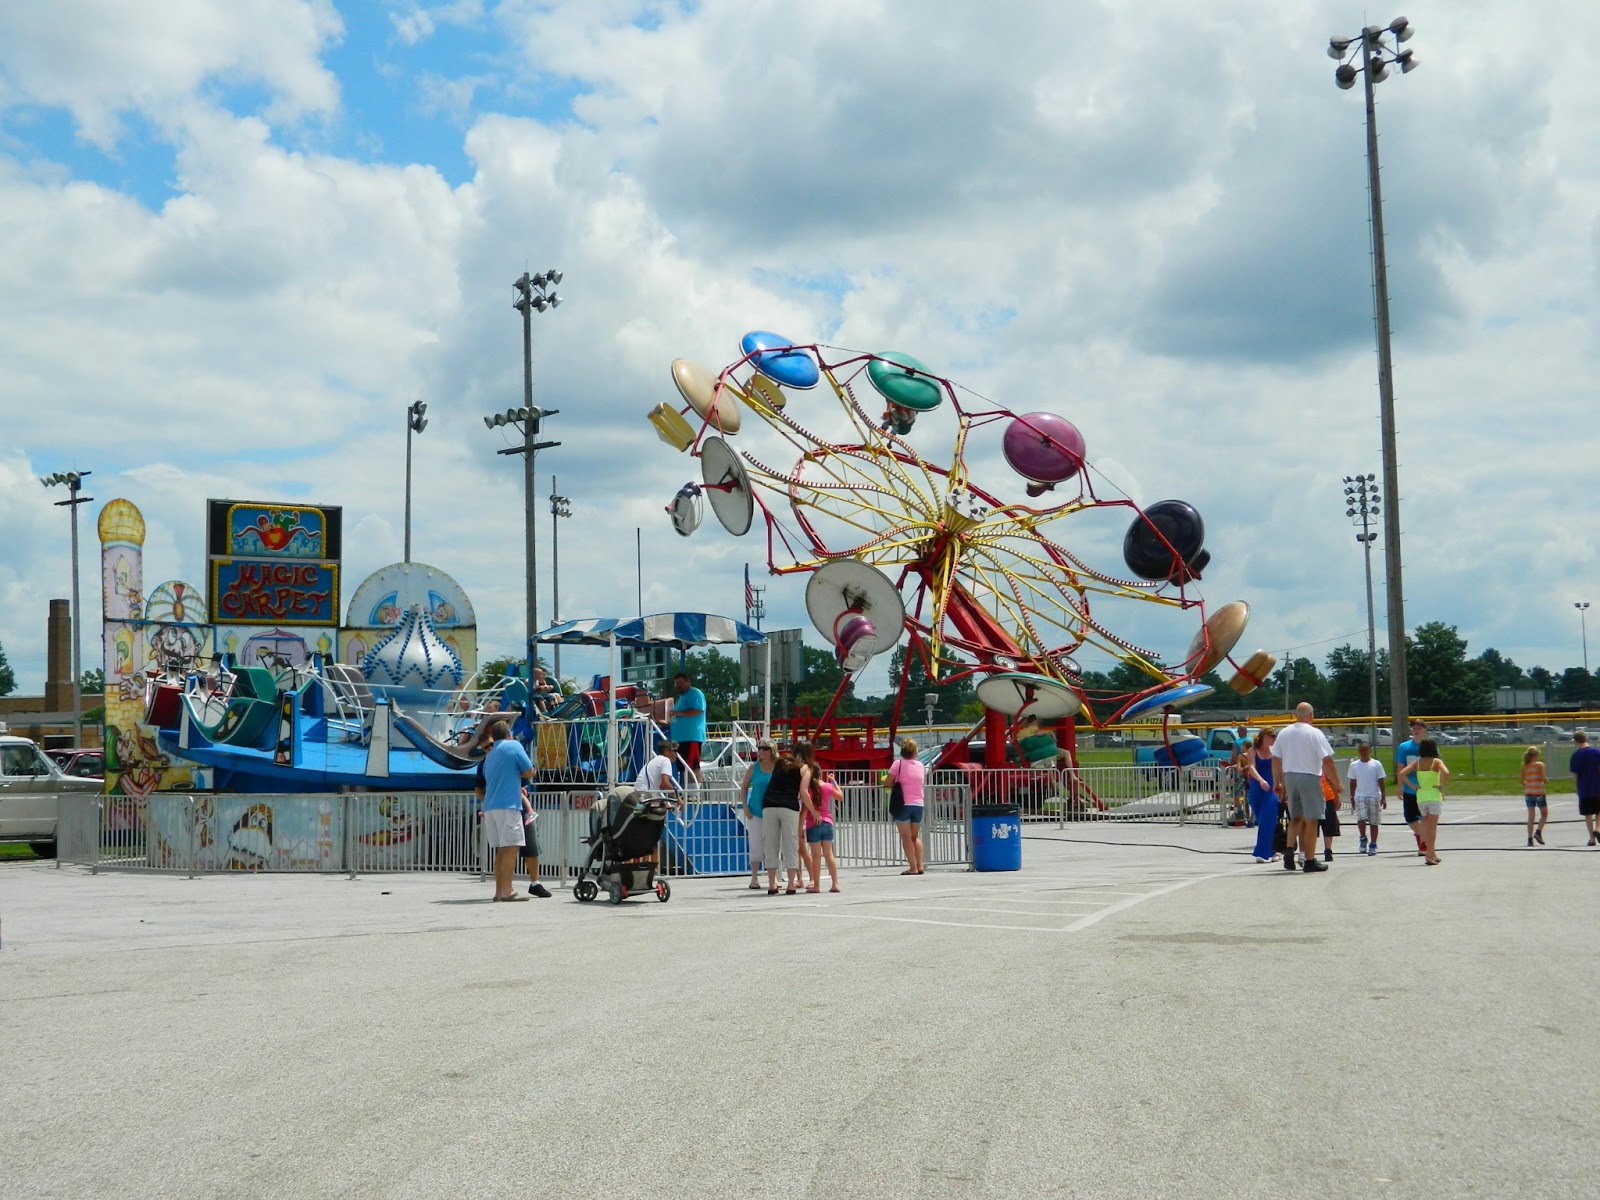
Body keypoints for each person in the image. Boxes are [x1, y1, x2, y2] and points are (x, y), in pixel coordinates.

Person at [1271, 702, 1342, 874]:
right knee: (1312, 819)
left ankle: (1289, 849)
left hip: (1290, 777)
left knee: (1296, 817)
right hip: (1309, 776)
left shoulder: (1284, 732)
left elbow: (1275, 759)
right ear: (1311, 715)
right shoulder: (1314, 733)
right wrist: (1337, 782)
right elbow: (1327, 760)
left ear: (1296, 714)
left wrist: (1277, 782)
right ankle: (1310, 859)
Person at [476, 719, 534, 901]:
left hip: (490, 807)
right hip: (508, 806)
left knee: (501, 850)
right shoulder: (514, 746)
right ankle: (507, 891)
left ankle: (498, 891)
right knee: (511, 848)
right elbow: (529, 771)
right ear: (509, 734)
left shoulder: (489, 756)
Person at [761, 744, 805, 894]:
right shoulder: (804, 768)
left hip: (769, 803)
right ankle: (791, 884)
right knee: (790, 844)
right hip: (789, 806)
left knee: (770, 844)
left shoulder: (779, 763)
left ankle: (772, 883)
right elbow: (804, 792)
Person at [797, 742, 841, 893]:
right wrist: (834, 782)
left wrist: (800, 827)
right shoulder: (827, 787)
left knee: (816, 856)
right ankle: (835, 883)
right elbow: (840, 796)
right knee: (829, 854)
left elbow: (804, 810)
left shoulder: (808, 789)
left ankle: (816, 885)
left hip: (812, 823)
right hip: (827, 821)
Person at [1397, 738, 1448, 865]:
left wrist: (1412, 786)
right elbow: (1446, 773)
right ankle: (1429, 855)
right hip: (1434, 796)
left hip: (1421, 796)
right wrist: (1441, 785)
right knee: (1432, 828)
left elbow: (1402, 773)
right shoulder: (1436, 762)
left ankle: (1432, 853)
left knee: (1425, 825)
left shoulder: (1417, 763)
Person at [887, 737, 927, 876]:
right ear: (915, 751)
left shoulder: (897, 764)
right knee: (915, 837)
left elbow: (888, 782)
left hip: (903, 803)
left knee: (906, 837)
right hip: (918, 804)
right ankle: (920, 865)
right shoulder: (921, 765)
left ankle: (912, 867)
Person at [739, 739, 775, 890]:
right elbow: (744, 787)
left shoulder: (777, 767)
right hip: (756, 810)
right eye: (759, 748)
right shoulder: (753, 768)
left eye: (765, 749)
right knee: (755, 844)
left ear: (772, 750)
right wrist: (744, 805)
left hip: (773, 809)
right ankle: (754, 877)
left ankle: (773, 878)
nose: (761, 751)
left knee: (773, 845)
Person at [1394, 718, 1430, 858]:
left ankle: (1425, 845)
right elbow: (1400, 767)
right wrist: (1399, 785)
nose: (1416, 731)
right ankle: (1422, 837)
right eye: (1414, 728)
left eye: (1419, 728)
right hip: (1409, 787)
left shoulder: (1428, 746)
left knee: (1424, 817)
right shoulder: (1404, 747)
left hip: (1424, 787)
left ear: (1424, 730)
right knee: (1410, 817)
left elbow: (1436, 765)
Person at [1347, 741, 1387, 857]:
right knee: (1361, 818)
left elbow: (1381, 781)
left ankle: (1373, 844)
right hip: (1360, 795)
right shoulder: (1354, 765)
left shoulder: (1376, 764)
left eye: (1366, 750)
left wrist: (1383, 797)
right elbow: (1353, 782)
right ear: (1359, 751)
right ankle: (1363, 837)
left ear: (1370, 750)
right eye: (1361, 750)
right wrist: (1352, 796)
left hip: (1374, 795)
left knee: (1374, 822)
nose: (1364, 752)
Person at [1245, 728, 1279, 863]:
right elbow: (1251, 767)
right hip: (1257, 788)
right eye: (1271, 736)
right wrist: (1260, 780)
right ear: (1263, 737)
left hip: (1272, 788)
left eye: (1275, 736)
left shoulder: (1275, 751)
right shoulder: (1252, 751)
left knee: (1268, 819)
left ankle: (1261, 852)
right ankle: (1272, 850)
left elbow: (1279, 768)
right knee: (1262, 821)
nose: (1274, 738)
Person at [669, 671, 707, 786]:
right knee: (682, 766)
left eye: (680, 682)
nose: (678, 685)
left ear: (688, 681)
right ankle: (686, 790)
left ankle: (695, 793)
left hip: (691, 736)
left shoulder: (695, 693)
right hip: (680, 738)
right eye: (676, 683)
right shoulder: (681, 698)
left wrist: (679, 713)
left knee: (693, 764)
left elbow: (699, 710)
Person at [1569, 731, 1600, 846]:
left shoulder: (1575, 756)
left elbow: (1575, 775)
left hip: (1584, 788)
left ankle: (1592, 839)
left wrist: (1577, 788)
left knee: (1588, 814)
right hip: (1597, 786)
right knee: (1598, 811)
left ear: (1576, 741)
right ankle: (1598, 828)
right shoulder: (1597, 752)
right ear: (1586, 739)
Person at [1522, 745, 1549, 847]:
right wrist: (1546, 780)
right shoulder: (1540, 765)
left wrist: (1527, 784)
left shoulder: (1524, 766)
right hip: (1539, 792)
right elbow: (1543, 778)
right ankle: (1538, 832)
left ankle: (1529, 838)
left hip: (1529, 792)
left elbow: (1521, 780)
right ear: (1536, 755)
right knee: (1544, 814)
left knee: (1531, 816)